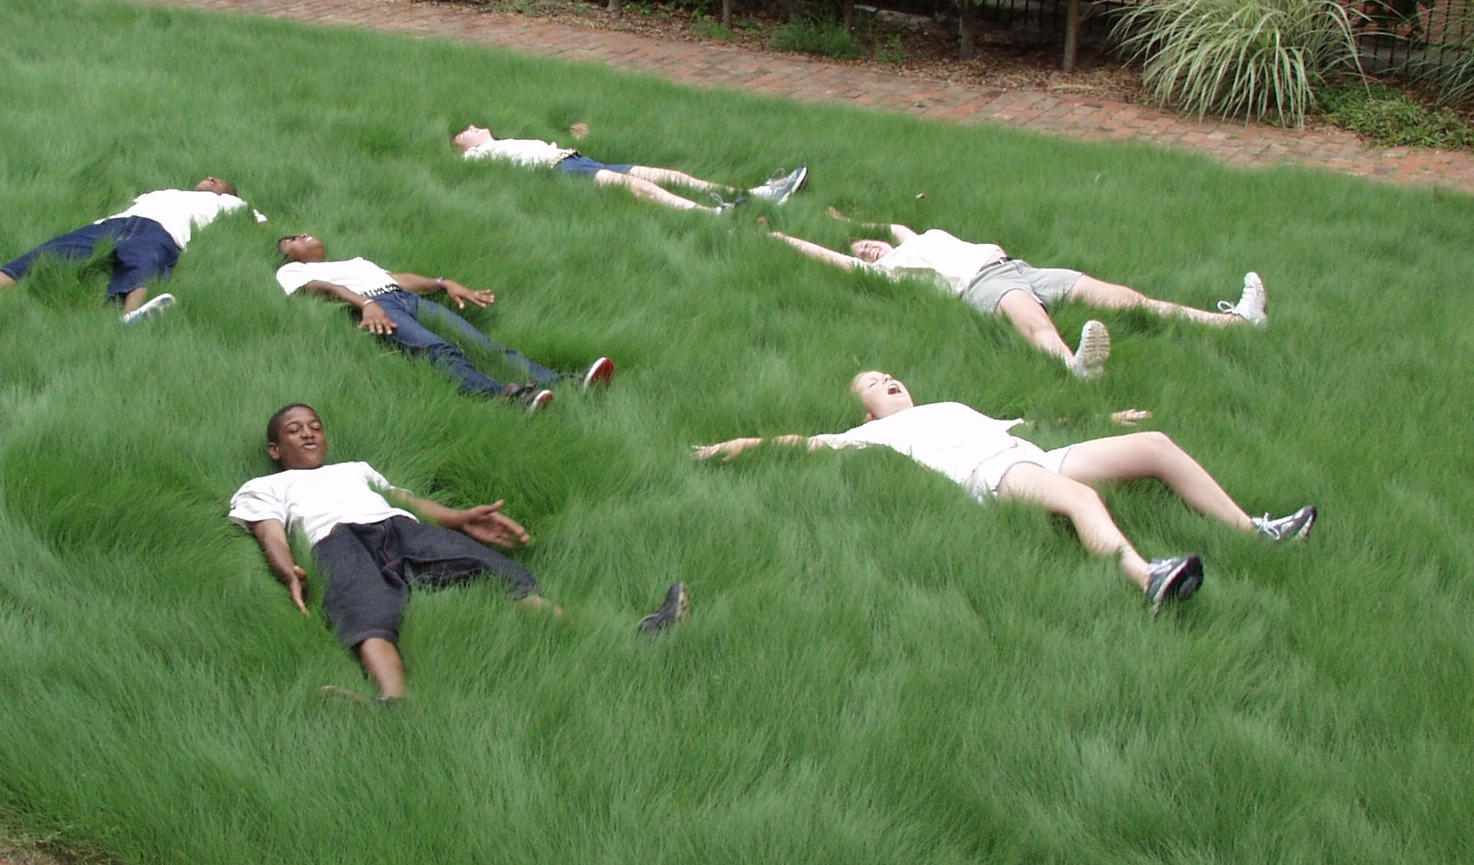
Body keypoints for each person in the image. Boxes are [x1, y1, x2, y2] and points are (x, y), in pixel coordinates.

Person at [693, 369, 1314, 609]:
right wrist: (719, 451)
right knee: (1081, 501)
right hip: (991, 475)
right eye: (872, 384)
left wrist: (1114, 419)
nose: (888, 380)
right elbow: (788, 445)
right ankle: (1147, 577)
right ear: (863, 414)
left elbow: (1032, 426)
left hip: (1031, 454)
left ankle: (1254, 531)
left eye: (889, 374)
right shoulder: (865, 439)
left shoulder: (950, 402)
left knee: (1155, 445)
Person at [231, 403, 688, 701]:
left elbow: (408, 502)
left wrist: (461, 518)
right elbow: (269, 531)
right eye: (295, 431)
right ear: (276, 449)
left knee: (490, 568)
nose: (309, 434)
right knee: (362, 603)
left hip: (399, 528)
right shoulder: (265, 485)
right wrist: (286, 568)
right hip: (337, 540)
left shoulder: (356, 469)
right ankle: (394, 701)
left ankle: (628, 637)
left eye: (315, 427)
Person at [769, 218, 1268, 380]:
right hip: (983, 287)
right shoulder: (892, 272)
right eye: (865, 251)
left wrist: (844, 218)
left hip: (1018, 266)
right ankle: (1076, 368)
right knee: (1035, 324)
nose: (871, 247)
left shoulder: (913, 239)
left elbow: (894, 225)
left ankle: (1233, 323)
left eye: (871, 242)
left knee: (1120, 295)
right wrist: (786, 239)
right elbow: (835, 258)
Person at [273, 234, 615, 411]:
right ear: (286, 254)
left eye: (303, 233)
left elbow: (399, 278)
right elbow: (317, 289)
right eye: (291, 239)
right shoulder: (292, 270)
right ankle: (506, 399)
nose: (301, 236)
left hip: (404, 297)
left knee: (484, 345)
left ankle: (568, 383)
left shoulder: (355, 261)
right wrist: (365, 303)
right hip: (373, 306)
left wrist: (442, 283)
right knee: (438, 349)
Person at [0, 178, 261, 323]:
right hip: (113, 225)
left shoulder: (229, 206)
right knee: (46, 255)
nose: (211, 180)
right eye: (209, 177)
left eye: (219, 182)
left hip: (163, 232)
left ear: (227, 194)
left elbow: (261, 227)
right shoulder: (163, 192)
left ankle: (130, 316)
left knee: (143, 264)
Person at [449, 123, 806, 215]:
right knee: (636, 187)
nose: (469, 127)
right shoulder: (477, 158)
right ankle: (713, 215)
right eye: (463, 133)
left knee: (662, 174)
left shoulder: (500, 143)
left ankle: (754, 193)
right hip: (561, 171)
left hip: (574, 159)